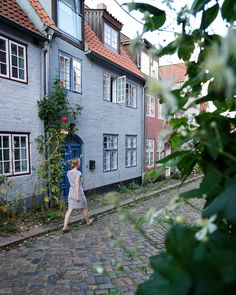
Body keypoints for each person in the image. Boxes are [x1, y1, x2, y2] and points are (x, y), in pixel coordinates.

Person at [63, 157, 93, 233]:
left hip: (71, 191)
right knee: (84, 207)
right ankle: (88, 221)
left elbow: (72, 183)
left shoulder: (68, 172)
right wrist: (77, 196)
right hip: (78, 192)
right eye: (79, 162)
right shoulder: (78, 173)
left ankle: (65, 226)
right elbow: (77, 184)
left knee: (70, 209)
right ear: (78, 163)